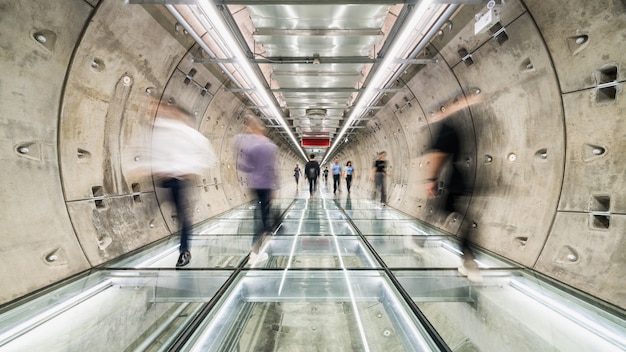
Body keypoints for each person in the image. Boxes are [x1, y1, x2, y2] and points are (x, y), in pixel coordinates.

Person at [424, 94, 483, 281]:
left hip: (452, 180)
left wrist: (431, 179)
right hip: (460, 179)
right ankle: (468, 260)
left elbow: (438, 157)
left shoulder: (445, 128)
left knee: (441, 213)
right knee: (454, 216)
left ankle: (467, 259)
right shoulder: (456, 125)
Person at [150, 103, 217, 267]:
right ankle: (182, 248)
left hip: (181, 180)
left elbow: (208, 156)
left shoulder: (191, 136)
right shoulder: (162, 132)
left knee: (183, 216)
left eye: (172, 113)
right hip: (165, 180)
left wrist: (191, 170)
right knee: (178, 215)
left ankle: (184, 250)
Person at [235, 115, 278, 265]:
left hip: (255, 184)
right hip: (267, 185)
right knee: (262, 214)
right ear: (261, 129)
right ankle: (256, 250)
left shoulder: (248, 145)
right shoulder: (271, 146)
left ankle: (260, 242)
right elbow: (273, 169)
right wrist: (275, 187)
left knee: (259, 214)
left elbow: (243, 166)